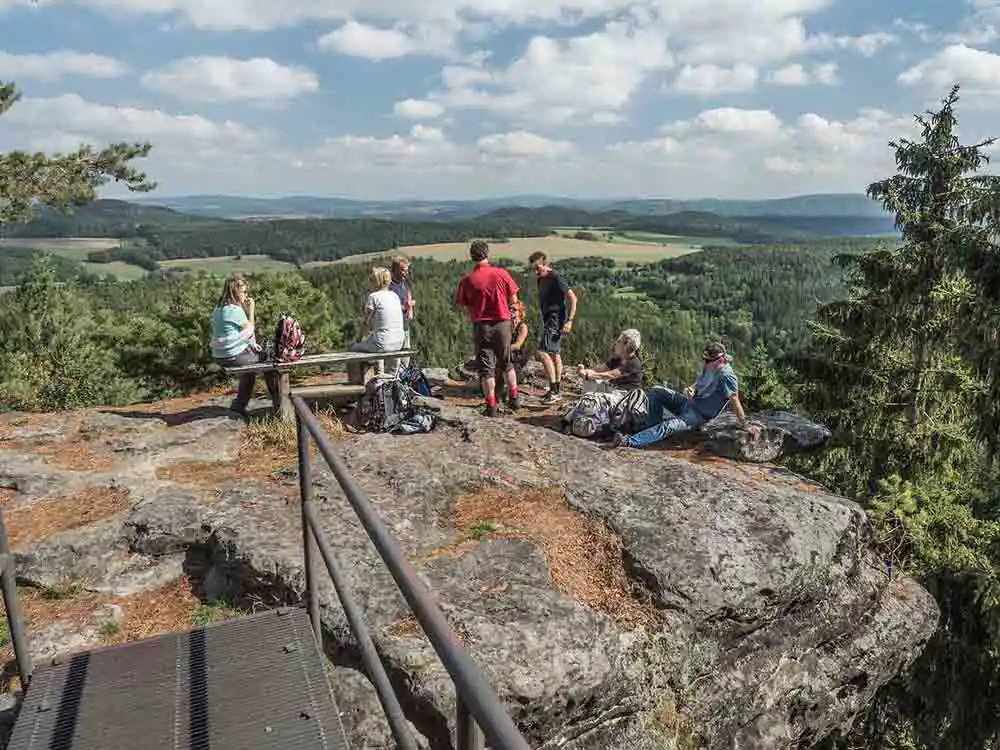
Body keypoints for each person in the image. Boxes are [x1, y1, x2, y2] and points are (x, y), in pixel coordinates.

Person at [613, 341, 759, 448]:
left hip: (698, 415)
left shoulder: (727, 376)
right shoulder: (709, 367)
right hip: (688, 403)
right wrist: (691, 389)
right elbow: (699, 383)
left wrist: (745, 424)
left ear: (720, 360)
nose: (705, 362)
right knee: (657, 391)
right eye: (704, 359)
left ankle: (629, 442)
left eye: (708, 360)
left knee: (669, 425)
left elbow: (734, 400)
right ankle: (651, 429)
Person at [455, 240, 521, 417]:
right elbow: (514, 300)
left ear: (472, 256)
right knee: (507, 362)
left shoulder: (467, 279)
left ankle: (491, 405)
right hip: (502, 323)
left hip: (481, 325)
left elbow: (463, 303)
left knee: (486, 368)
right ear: (487, 254)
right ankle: (514, 397)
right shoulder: (501, 273)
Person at [209, 273, 278, 417]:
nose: (246, 295)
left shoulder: (219, 308)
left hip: (220, 355)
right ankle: (279, 401)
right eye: (244, 292)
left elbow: (234, 335)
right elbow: (250, 329)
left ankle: (239, 405)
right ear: (235, 291)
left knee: (250, 370)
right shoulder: (234, 310)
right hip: (233, 356)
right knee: (270, 362)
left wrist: (251, 344)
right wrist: (251, 309)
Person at [527, 251, 578, 405]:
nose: (536, 272)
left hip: (555, 320)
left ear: (545, 264)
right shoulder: (541, 279)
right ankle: (556, 390)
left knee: (542, 353)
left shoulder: (555, 277)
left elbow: (573, 298)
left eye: (538, 268)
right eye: (533, 269)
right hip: (550, 319)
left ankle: (554, 390)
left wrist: (570, 320)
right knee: (554, 354)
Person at [347, 267, 405, 382]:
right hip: (399, 342)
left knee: (352, 349)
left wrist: (358, 339)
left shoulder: (373, 297)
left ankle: (357, 385)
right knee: (376, 340)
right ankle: (384, 376)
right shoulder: (395, 296)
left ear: (376, 281)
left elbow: (365, 322)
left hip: (382, 343)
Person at [577, 329, 644, 393]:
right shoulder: (617, 360)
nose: (616, 343)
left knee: (591, 381)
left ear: (626, 345)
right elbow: (599, 369)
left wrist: (587, 375)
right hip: (614, 391)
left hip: (626, 397)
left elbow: (610, 375)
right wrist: (585, 371)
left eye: (619, 341)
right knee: (590, 381)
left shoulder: (634, 363)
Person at [389, 257, 414, 367]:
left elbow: (408, 292)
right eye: (403, 270)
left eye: (407, 270)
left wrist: (410, 309)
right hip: (394, 324)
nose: (406, 272)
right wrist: (405, 307)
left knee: (406, 350)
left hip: (404, 322)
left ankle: (405, 375)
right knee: (395, 353)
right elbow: (389, 306)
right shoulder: (389, 285)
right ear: (395, 270)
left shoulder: (405, 282)